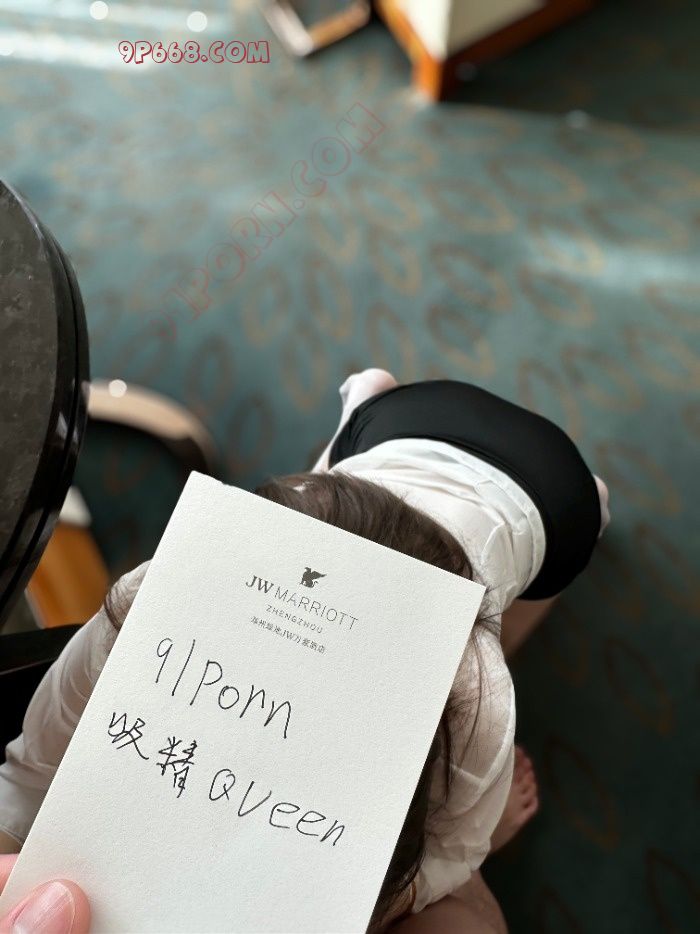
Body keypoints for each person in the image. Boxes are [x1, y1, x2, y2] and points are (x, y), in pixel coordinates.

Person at [0, 371, 610, 931]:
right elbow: (34, 765)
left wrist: (385, 900)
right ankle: (364, 413)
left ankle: (578, 499)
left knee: (527, 582)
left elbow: (457, 849)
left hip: (540, 490)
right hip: (383, 452)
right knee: (328, 499)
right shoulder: (158, 592)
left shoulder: (482, 688)